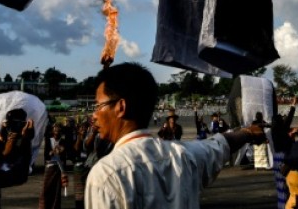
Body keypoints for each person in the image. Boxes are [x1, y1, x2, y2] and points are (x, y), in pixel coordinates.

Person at [84, 62, 268, 209]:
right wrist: (248, 133)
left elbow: (220, 143)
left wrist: (247, 133)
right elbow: (220, 145)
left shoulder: (106, 174)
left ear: (120, 107)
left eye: (98, 106)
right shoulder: (185, 155)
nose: (94, 114)